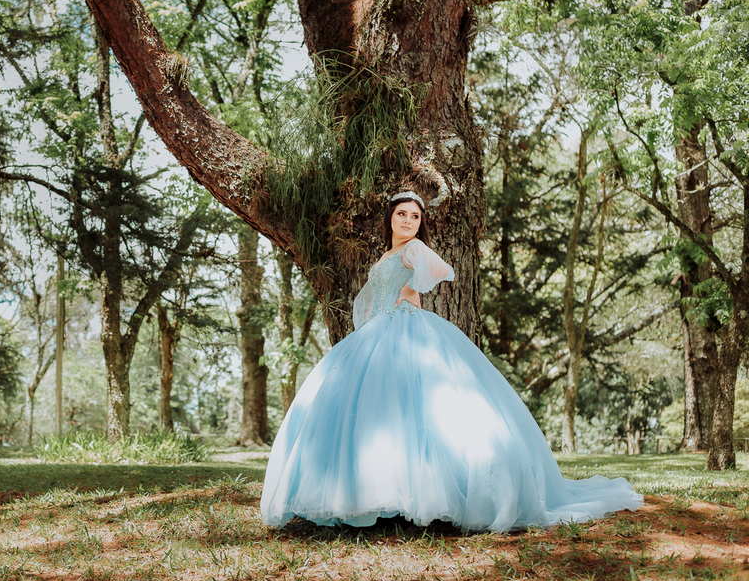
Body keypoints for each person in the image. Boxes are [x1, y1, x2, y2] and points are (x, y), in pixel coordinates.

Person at [260, 190, 642, 533]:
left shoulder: (413, 250)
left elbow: (444, 270)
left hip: (406, 329)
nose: (408, 221)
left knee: (421, 411)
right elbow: (369, 298)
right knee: (383, 414)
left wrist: (412, 288)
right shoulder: (388, 253)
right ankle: (378, 494)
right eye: (402, 215)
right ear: (390, 218)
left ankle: (425, 498)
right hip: (376, 334)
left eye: (415, 217)